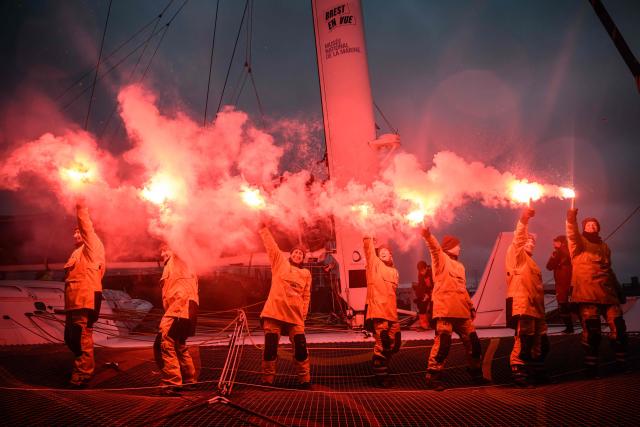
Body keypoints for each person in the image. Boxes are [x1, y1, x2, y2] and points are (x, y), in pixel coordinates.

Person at [420, 227, 487, 390]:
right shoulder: (441, 260)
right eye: (458, 245)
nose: (460, 247)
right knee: (443, 344)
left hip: (462, 311)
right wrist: (428, 235)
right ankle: (433, 376)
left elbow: (462, 289)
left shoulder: (460, 267)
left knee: (474, 343)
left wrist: (470, 307)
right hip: (445, 310)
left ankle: (476, 373)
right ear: (450, 247)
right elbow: (434, 248)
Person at [566, 208, 627, 377]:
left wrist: (619, 292)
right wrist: (571, 218)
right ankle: (591, 367)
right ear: (584, 228)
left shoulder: (604, 246)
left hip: (608, 295)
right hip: (587, 294)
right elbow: (571, 233)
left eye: (594, 225)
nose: (592, 227)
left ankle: (622, 363)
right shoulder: (578, 244)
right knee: (593, 333)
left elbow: (609, 270)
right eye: (589, 225)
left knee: (619, 329)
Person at [259, 225, 312, 388]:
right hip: (274, 313)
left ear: (303, 259)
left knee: (301, 349)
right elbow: (271, 246)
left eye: (300, 254)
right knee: (270, 349)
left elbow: (306, 295)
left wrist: (303, 315)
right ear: (291, 255)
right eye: (295, 252)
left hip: (295, 317)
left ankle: (305, 379)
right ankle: (267, 380)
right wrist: (263, 228)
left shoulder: (306, 274)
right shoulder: (280, 263)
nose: (298, 255)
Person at [63, 199, 105, 388]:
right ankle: (83, 367)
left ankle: (83, 373)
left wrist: (80, 204)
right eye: (74, 231)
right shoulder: (77, 253)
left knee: (81, 337)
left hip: (85, 299)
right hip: (74, 301)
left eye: (78, 231)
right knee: (72, 338)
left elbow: (85, 224)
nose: (75, 233)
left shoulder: (91, 246)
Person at [505, 208, 549, 387]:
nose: (531, 243)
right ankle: (519, 371)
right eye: (528, 241)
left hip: (537, 307)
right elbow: (519, 237)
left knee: (540, 340)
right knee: (524, 339)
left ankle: (535, 369)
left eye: (533, 242)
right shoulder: (517, 256)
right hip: (522, 304)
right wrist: (524, 219)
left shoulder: (532, 263)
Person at [154, 246, 199, 395]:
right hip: (186, 308)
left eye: (165, 249)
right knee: (179, 344)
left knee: (165, 341)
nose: (162, 254)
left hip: (180, 308)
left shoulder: (179, 259)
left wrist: (170, 224)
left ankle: (172, 381)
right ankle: (189, 379)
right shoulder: (174, 266)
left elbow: (179, 238)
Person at [363, 236, 400, 387]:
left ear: (391, 255)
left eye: (386, 251)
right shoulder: (374, 264)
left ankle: (383, 367)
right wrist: (368, 234)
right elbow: (368, 249)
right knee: (382, 343)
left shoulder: (394, 272)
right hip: (379, 312)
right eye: (381, 251)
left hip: (392, 314)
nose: (383, 252)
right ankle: (381, 376)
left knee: (394, 344)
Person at [546, 235, 574, 333]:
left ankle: (569, 328)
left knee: (563, 305)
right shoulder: (571, 252)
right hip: (570, 283)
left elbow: (549, 266)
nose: (553, 243)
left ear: (561, 242)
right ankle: (575, 327)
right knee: (572, 305)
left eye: (555, 241)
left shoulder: (559, 252)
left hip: (562, 284)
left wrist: (554, 256)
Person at [412, 261, 434, 330]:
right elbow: (421, 285)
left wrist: (429, 294)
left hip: (435, 291)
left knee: (433, 308)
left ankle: (433, 324)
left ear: (426, 268)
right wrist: (424, 295)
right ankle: (424, 325)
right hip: (427, 292)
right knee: (422, 305)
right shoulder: (420, 274)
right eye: (420, 271)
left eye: (422, 271)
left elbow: (436, 285)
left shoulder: (432, 272)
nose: (421, 272)